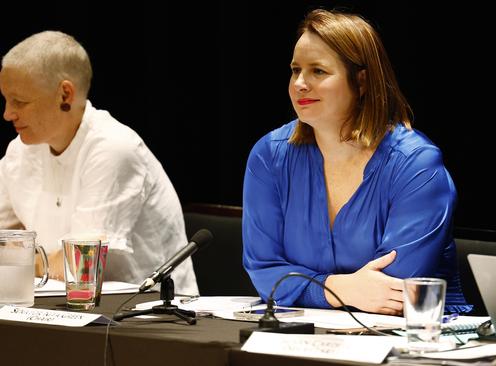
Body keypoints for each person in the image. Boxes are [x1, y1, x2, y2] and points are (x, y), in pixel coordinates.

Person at [242, 9, 468, 315]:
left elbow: (392, 289)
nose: (300, 84)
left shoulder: (416, 163)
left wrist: (309, 288)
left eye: (318, 71)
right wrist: (337, 289)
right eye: (295, 70)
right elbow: (264, 270)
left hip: (413, 340)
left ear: (361, 82)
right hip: (308, 332)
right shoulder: (269, 156)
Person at [0, 31, 198, 295]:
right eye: (5, 100)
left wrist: (23, 258)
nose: (7, 113)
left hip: (145, 318)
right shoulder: (19, 152)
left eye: (19, 102)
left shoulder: (113, 148)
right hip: (57, 309)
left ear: (65, 95)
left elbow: (82, 265)